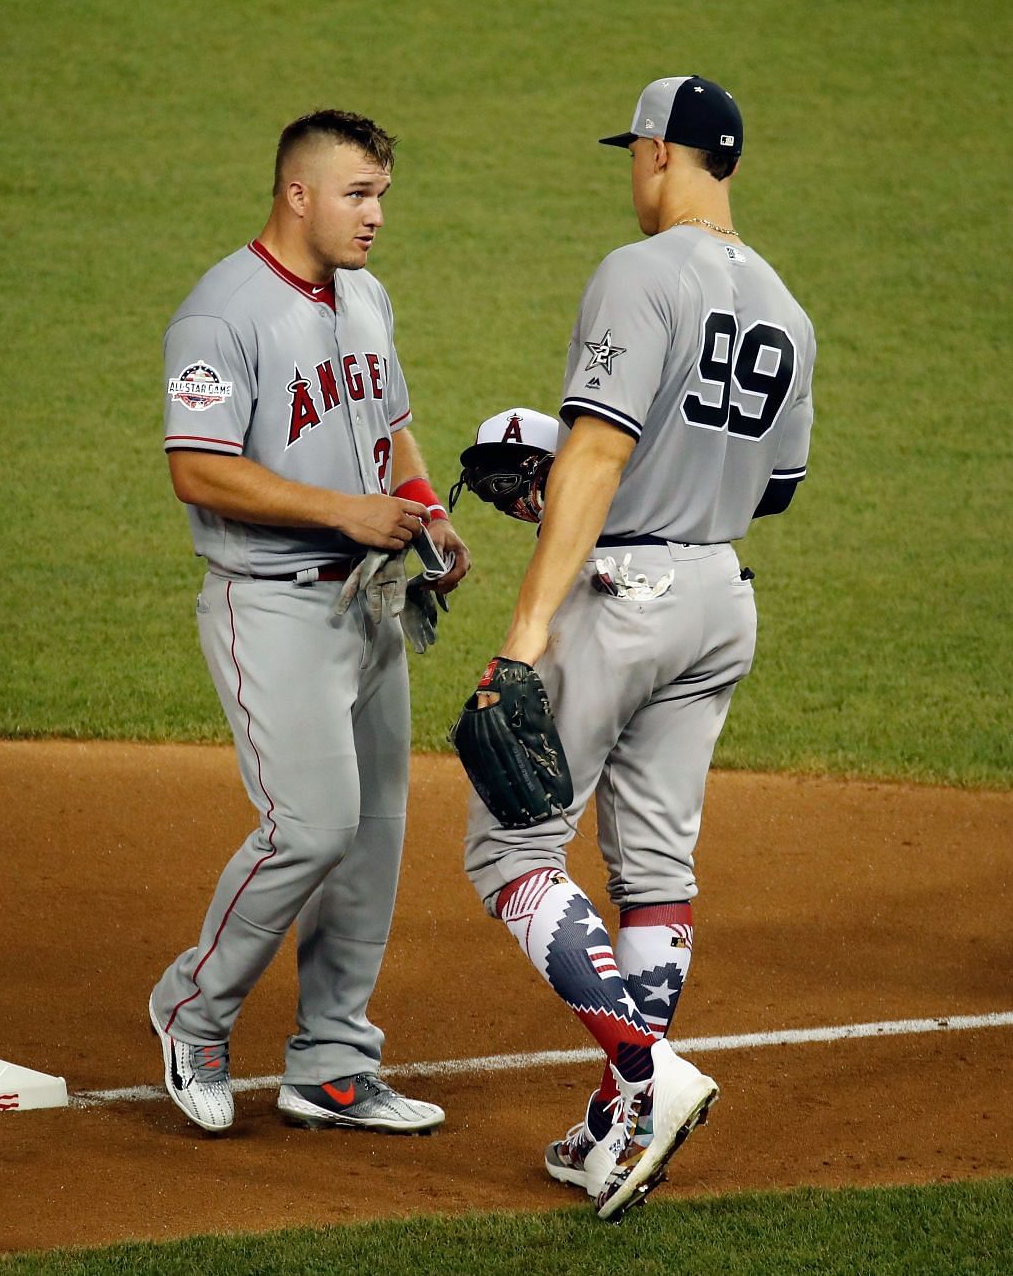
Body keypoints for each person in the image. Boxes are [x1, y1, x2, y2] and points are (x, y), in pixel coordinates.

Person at [459, 75, 815, 1219]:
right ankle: (621, 1130)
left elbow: (602, 455)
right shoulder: (790, 312)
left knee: (510, 849)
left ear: (663, 154)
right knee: (655, 869)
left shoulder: (637, 274)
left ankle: (642, 1075)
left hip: (627, 593)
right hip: (720, 598)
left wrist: (523, 636)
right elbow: (778, 491)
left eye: (636, 151)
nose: (631, 170)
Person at [152, 108, 469, 1136]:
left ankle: (332, 1063)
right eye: (358, 194)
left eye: (382, 193)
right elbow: (195, 466)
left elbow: (392, 419)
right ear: (298, 194)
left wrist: (421, 506)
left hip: (374, 601)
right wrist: (343, 508)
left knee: (372, 839)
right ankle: (191, 1010)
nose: (376, 215)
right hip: (273, 602)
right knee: (313, 826)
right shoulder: (222, 314)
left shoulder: (366, 295)